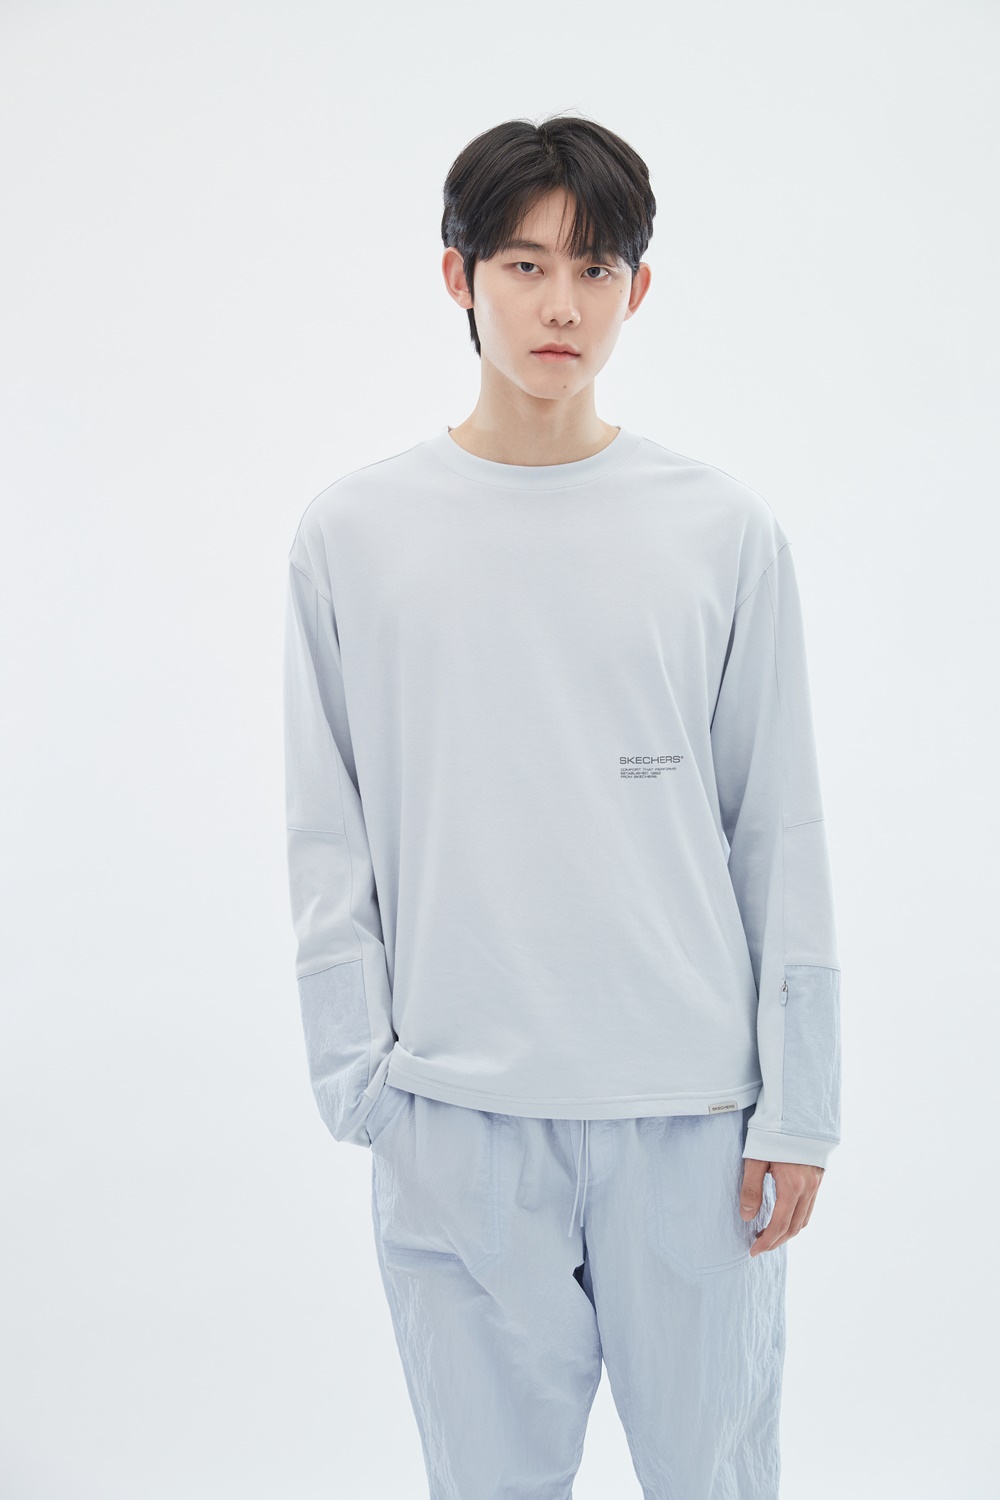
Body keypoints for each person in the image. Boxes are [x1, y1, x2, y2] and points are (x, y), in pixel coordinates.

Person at [282, 112, 841, 1500]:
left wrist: (800, 1106)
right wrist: (367, 1088)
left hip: (690, 1118)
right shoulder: (356, 534)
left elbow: (776, 823)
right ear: (459, 276)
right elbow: (326, 826)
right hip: (458, 1114)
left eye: (595, 270)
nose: (560, 304)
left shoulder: (719, 529)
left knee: (716, 1482)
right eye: (525, 265)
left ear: (637, 290)